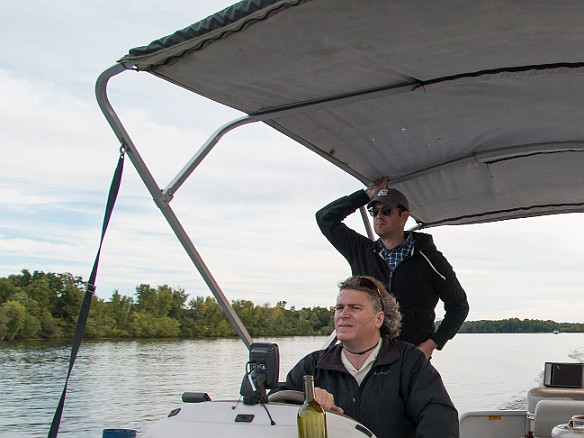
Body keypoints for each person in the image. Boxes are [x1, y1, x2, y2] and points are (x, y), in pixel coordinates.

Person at [277, 275, 459, 438]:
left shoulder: (409, 362)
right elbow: (274, 408)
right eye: (339, 308)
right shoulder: (313, 366)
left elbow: (440, 418)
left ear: (378, 319)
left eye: (354, 308)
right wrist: (306, 399)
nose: (343, 314)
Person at [316, 177, 469, 358]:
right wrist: (365, 195)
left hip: (410, 355)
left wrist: (431, 345)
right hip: (365, 355)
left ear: (403, 216)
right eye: (374, 211)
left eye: (386, 211)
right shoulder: (361, 251)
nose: (379, 216)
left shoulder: (429, 259)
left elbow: (459, 306)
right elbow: (325, 218)